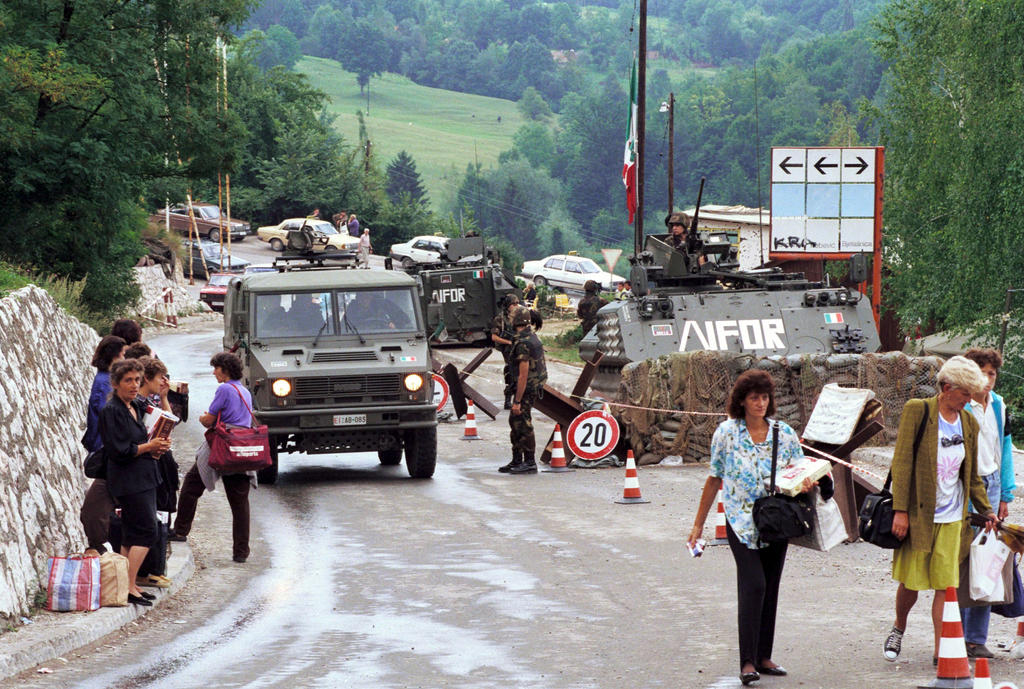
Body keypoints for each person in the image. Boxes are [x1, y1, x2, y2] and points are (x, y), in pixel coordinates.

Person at [688, 370, 827, 685]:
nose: (761, 403)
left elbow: (800, 471)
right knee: (754, 585)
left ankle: (764, 656)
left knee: (771, 586)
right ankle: (747, 661)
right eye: (754, 398)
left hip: (776, 521)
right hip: (740, 521)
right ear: (742, 401)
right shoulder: (726, 433)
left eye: (765, 397)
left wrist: (806, 483)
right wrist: (698, 525)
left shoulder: (784, 433)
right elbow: (714, 479)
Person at [883, 355, 998, 664]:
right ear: (947, 388)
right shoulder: (918, 411)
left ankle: (940, 651)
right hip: (919, 515)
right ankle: (898, 627)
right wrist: (900, 511)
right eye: (964, 393)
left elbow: (971, 475)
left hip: (952, 518)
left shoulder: (968, 422)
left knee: (945, 587)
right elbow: (902, 463)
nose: (968, 399)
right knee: (912, 582)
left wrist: (987, 511)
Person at [172, 352, 256, 563]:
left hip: (222, 446)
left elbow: (209, 420)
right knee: (240, 503)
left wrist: (201, 417)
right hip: (241, 449)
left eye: (216, 368)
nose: (213, 372)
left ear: (224, 370)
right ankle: (240, 552)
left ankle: (180, 530)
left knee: (192, 485)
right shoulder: (244, 391)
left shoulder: (225, 389)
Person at [958, 348, 1015, 658]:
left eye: (992, 373)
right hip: (964, 486)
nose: (988, 379)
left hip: (991, 484)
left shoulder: (998, 405)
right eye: (982, 372)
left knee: (987, 559)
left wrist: (1006, 493)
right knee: (963, 558)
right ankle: (955, 632)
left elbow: (1004, 448)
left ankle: (976, 638)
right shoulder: (960, 406)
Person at [99, 359, 171, 606]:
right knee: (147, 530)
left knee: (131, 533)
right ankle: (129, 585)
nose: (134, 385)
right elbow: (119, 450)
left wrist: (156, 446)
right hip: (129, 479)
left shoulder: (135, 407)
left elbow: (143, 438)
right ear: (116, 383)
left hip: (144, 475)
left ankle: (127, 585)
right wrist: (148, 447)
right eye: (128, 380)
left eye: (137, 380)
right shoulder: (112, 411)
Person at [80, 335, 127, 554]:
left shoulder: (104, 379)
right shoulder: (105, 383)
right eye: (124, 354)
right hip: (105, 449)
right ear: (115, 356)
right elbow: (103, 417)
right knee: (98, 506)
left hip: (103, 447)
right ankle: (101, 547)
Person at [499, 306, 547, 474]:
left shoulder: (523, 342)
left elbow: (523, 375)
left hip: (526, 389)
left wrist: (517, 401)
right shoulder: (528, 337)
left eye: (511, 317)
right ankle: (517, 460)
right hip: (529, 387)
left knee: (523, 423)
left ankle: (529, 462)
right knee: (515, 421)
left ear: (517, 320)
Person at [490, 294, 520, 410]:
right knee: (511, 373)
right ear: (508, 305)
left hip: (519, 348)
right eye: (514, 304)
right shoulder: (500, 319)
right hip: (508, 350)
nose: (516, 306)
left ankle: (518, 399)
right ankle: (508, 399)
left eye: (517, 303)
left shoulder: (519, 317)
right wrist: (508, 342)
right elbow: (494, 337)